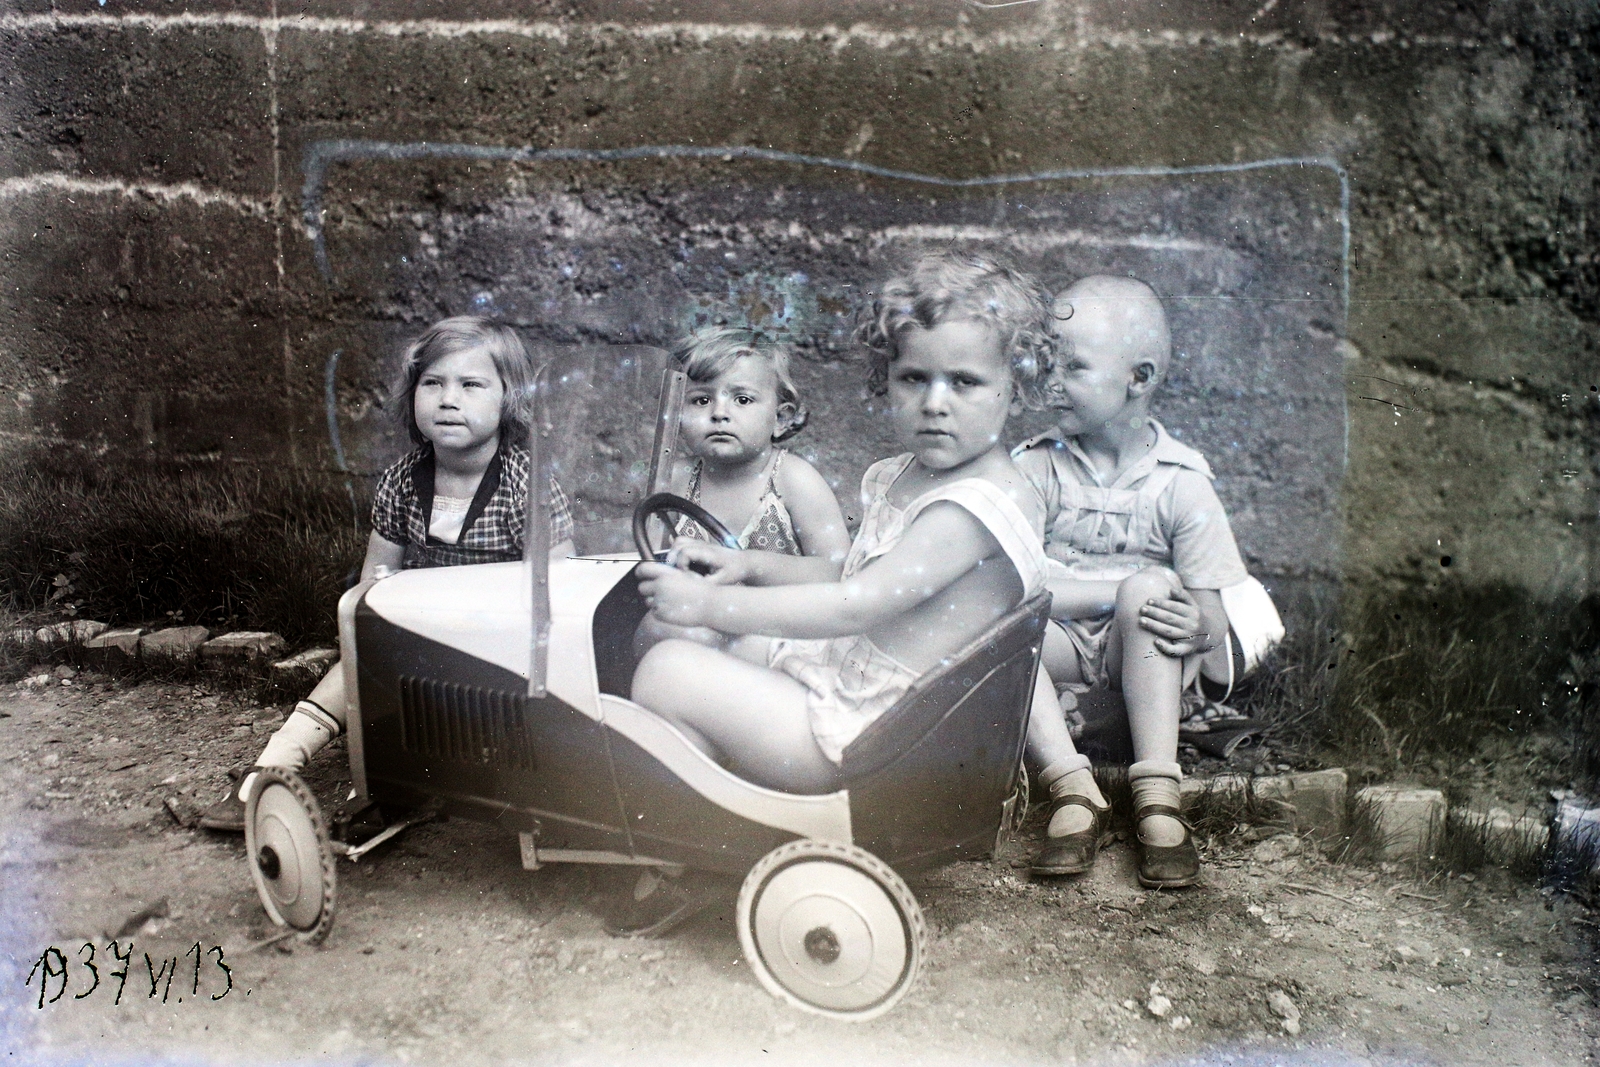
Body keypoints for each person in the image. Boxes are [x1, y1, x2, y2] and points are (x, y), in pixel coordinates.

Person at [631, 251, 1052, 795]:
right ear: (887, 379)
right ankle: (712, 793)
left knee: (667, 669)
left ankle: (708, 821)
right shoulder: (913, 476)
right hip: (852, 681)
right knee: (680, 634)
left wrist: (710, 604)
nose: (934, 403)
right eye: (914, 378)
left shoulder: (972, 508)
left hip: (878, 741)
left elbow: (857, 604)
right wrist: (747, 564)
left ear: (1016, 387)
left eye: (965, 382)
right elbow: (846, 572)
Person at [200, 316, 575, 832]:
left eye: (471, 385)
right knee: (357, 660)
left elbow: (559, 590)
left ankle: (407, 780)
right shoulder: (402, 481)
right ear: (411, 395)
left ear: (509, 399)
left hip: (498, 645)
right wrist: (376, 642)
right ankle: (274, 766)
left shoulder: (523, 484)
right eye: (433, 383)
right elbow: (373, 585)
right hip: (423, 634)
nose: (449, 399)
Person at [1013, 275, 1253, 889]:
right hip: (1057, 659)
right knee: (1010, 628)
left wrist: (1196, 626)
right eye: (1046, 364)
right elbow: (1018, 588)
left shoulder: (1181, 481)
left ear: (1138, 379)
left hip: (1139, 670)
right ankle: (1072, 788)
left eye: (1072, 366)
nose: (1050, 382)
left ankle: (1155, 793)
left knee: (1150, 594)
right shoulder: (1036, 467)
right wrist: (1114, 590)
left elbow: (1208, 616)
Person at [634, 326, 851, 653]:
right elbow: (642, 563)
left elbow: (839, 571)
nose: (719, 413)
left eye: (742, 399)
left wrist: (750, 564)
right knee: (655, 626)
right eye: (702, 400)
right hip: (697, 619)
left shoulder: (792, 480)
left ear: (781, 418)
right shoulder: (675, 481)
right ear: (677, 414)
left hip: (778, 628)